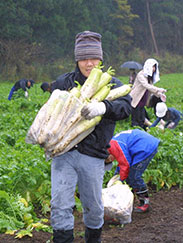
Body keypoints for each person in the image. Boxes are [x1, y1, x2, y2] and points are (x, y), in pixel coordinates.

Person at [50, 31, 132, 243]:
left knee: (94, 207)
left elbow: (126, 107)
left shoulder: (112, 83)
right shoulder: (64, 82)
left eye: (93, 58)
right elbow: (50, 111)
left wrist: (103, 107)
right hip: (64, 153)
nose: (89, 64)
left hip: (94, 155)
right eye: (84, 59)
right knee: (60, 204)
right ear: (77, 60)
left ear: (101, 59)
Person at [105, 129, 160, 213]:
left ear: (108, 157)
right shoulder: (111, 145)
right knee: (128, 175)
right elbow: (122, 162)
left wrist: (120, 180)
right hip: (140, 144)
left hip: (145, 147)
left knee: (134, 176)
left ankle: (145, 203)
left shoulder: (114, 147)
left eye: (109, 161)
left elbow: (125, 164)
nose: (112, 161)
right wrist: (117, 176)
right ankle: (129, 201)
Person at [130, 58, 167, 130]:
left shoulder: (149, 77)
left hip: (143, 99)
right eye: (153, 67)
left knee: (142, 118)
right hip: (136, 99)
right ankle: (135, 132)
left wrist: (159, 94)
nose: (154, 69)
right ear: (148, 66)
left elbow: (151, 88)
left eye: (155, 67)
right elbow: (146, 85)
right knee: (136, 119)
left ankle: (143, 131)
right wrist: (159, 89)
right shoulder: (141, 74)